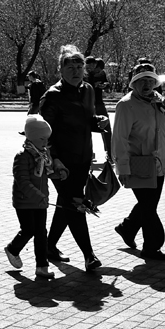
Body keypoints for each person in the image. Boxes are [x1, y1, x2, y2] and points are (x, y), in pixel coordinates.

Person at [38, 44, 109, 272]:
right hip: (59, 162)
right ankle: (89, 255)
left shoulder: (87, 90)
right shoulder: (52, 96)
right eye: (70, 67)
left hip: (82, 158)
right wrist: (55, 160)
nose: (76, 71)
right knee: (75, 203)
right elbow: (44, 133)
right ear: (61, 69)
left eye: (79, 66)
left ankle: (49, 246)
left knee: (67, 203)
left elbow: (85, 120)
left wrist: (97, 122)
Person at [112, 62, 165, 260]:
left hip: (159, 163)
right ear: (134, 83)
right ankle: (152, 247)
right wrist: (122, 168)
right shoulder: (126, 105)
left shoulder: (159, 100)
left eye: (150, 80)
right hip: (138, 164)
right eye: (141, 80)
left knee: (148, 204)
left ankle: (127, 228)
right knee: (149, 207)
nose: (147, 84)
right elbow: (119, 139)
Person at [5, 114, 67, 279]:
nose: (45, 143)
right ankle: (12, 249)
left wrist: (59, 173)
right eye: (42, 139)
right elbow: (23, 183)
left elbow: (48, 173)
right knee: (28, 230)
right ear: (31, 138)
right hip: (24, 202)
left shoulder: (44, 156)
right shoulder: (22, 157)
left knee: (41, 233)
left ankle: (42, 266)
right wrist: (38, 195)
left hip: (40, 201)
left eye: (47, 139)